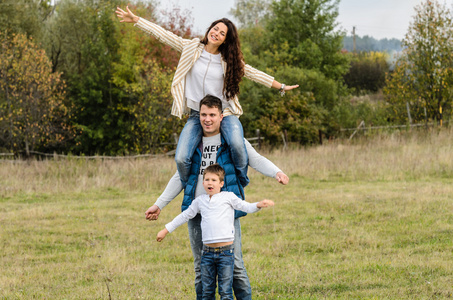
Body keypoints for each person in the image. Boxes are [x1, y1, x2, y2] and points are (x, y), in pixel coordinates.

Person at [115, 6, 298, 188]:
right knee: (181, 158)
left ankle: (241, 179)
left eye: (222, 33)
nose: (216, 33)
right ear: (210, 29)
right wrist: (137, 20)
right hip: (197, 114)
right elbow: (163, 35)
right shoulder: (191, 48)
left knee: (236, 143)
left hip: (224, 113)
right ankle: (191, 186)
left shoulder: (229, 61)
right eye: (215, 29)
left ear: (226, 40)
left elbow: (254, 74)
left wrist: (281, 86)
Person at [146, 95, 288, 300]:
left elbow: (255, 159)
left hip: (224, 212)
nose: (207, 119)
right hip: (196, 211)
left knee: (236, 265)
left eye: (212, 115)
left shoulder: (231, 140)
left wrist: (277, 172)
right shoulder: (193, 144)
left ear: (221, 116)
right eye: (203, 114)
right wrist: (159, 204)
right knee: (200, 267)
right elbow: (180, 176)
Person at [157, 164, 275, 300]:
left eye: (213, 180)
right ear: (203, 183)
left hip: (226, 253)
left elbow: (245, 206)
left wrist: (258, 205)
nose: (209, 183)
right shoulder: (199, 201)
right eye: (207, 180)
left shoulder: (228, 197)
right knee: (207, 292)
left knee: (225, 292)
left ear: (221, 183)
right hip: (207, 254)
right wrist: (166, 230)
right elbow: (184, 216)